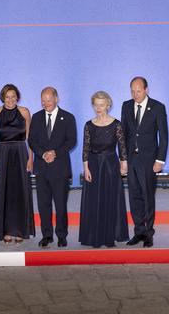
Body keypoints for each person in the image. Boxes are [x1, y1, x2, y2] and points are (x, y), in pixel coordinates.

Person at [121, 76, 168, 248]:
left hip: (149, 161)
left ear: (146, 90)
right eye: (132, 91)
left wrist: (160, 160)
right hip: (131, 160)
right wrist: (123, 159)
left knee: (148, 196)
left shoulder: (157, 107)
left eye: (138, 91)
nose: (135, 94)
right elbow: (123, 135)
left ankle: (149, 234)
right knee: (134, 197)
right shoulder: (126, 106)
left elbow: (163, 137)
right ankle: (139, 232)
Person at [28, 87, 77, 248]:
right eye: (43, 100)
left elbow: (71, 141)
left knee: (61, 205)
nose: (45, 103)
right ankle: (47, 235)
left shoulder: (68, 118)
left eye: (48, 99)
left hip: (60, 168)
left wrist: (55, 153)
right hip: (42, 168)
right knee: (43, 205)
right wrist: (43, 154)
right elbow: (32, 141)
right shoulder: (36, 117)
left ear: (57, 99)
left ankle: (62, 235)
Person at [79, 91, 129, 248]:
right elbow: (85, 149)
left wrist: (124, 164)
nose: (98, 108)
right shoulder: (89, 125)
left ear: (108, 105)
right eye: (96, 105)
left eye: (102, 105)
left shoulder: (116, 124)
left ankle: (109, 236)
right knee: (94, 201)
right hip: (93, 165)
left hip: (110, 165)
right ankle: (95, 236)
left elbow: (122, 147)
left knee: (110, 199)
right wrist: (86, 168)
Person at [0, 84, 34, 243]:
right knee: (4, 192)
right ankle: (6, 231)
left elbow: (30, 137)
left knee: (20, 191)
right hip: (1, 154)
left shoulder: (24, 112)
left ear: (18, 97)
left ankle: (20, 230)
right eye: (7, 97)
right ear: (3, 97)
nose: (10, 100)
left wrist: (30, 158)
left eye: (13, 96)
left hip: (20, 153)